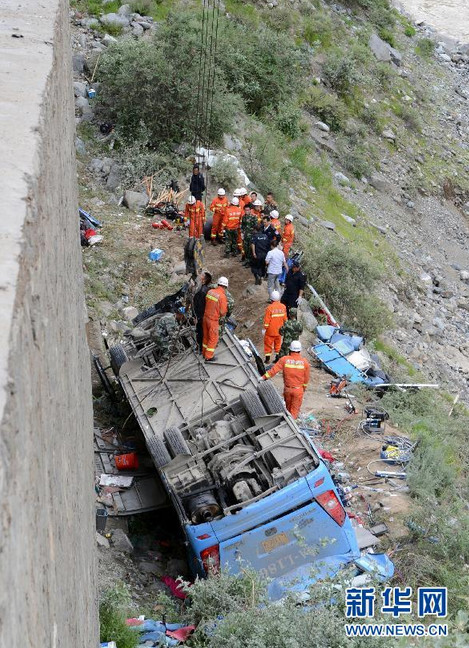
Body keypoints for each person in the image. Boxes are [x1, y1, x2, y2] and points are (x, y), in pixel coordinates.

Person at [261, 340, 310, 419]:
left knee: (287, 409)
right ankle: (292, 426)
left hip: (287, 389)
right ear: (299, 351)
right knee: (294, 410)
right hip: (298, 390)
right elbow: (306, 378)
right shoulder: (305, 362)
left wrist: (263, 377)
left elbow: (273, 370)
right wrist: (303, 388)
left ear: (290, 350)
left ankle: (287, 422)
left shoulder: (284, 359)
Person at [202, 276, 229, 361]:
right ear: (225, 286)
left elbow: (206, 301)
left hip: (205, 317)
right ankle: (208, 356)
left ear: (218, 283)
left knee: (206, 336)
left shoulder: (210, 292)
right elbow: (223, 312)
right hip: (213, 320)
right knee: (213, 338)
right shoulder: (222, 296)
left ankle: (204, 353)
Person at [262, 290, 287, 363]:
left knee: (268, 345)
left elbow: (267, 322)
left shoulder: (269, 308)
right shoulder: (283, 307)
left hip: (270, 331)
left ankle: (267, 359)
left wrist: (264, 329)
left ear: (271, 299)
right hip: (279, 331)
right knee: (278, 345)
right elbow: (285, 319)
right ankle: (277, 358)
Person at [192, 270, 212, 352]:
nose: (199, 277)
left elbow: (200, 306)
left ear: (204, 280)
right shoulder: (202, 289)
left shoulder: (202, 292)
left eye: (201, 276)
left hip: (200, 316)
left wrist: (197, 317)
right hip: (201, 315)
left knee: (200, 332)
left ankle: (200, 348)